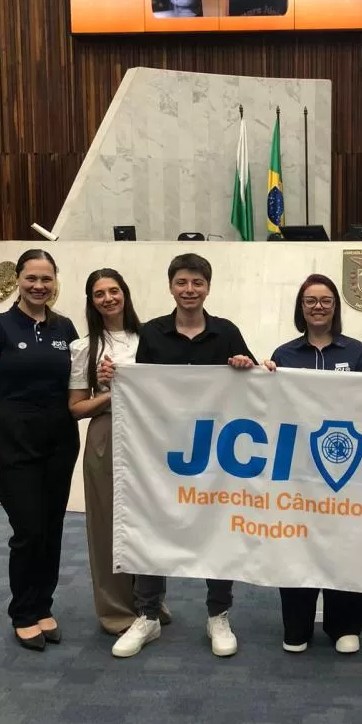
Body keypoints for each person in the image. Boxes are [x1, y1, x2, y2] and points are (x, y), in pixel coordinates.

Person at [99, 253, 257, 659]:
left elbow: (255, 386)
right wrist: (116, 377)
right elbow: (142, 389)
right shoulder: (152, 333)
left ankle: (218, 614)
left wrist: (246, 365)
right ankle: (148, 615)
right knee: (154, 524)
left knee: (218, 525)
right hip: (163, 453)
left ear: (208, 286)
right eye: (182, 283)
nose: (190, 290)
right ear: (171, 286)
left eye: (197, 283)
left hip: (217, 456)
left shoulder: (226, 332)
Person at [0, 250, 80, 651]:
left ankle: (44, 605)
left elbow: (77, 383)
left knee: (51, 529)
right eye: (31, 278)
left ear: (55, 282)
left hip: (59, 443)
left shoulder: (65, 328)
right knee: (29, 530)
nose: (39, 286)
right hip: (11, 444)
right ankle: (23, 612)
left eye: (46, 279)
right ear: (18, 279)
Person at [265, 274, 362, 655]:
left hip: (344, 469)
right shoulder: (284, 355)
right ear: (301, 307)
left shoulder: (357, 352)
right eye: (310, 300)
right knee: (296, 542)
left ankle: (345, 625)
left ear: (335, 307)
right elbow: (270, 407)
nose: (318, 306)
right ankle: (297, 623)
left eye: (325, 300)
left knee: (345, 543)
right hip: (297, 470)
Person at [68, 269, 171, 636]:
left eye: (114, 291)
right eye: (99, 294)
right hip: (107, 432)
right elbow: (76, 408)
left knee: (150, 521)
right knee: (107, 523)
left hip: (150, 435)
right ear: (91, 301)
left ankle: (148, 600)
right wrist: (111, 390)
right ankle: (115, 609)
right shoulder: (84, 347)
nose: (108, 298)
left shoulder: (151, 338)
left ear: (125, 294)